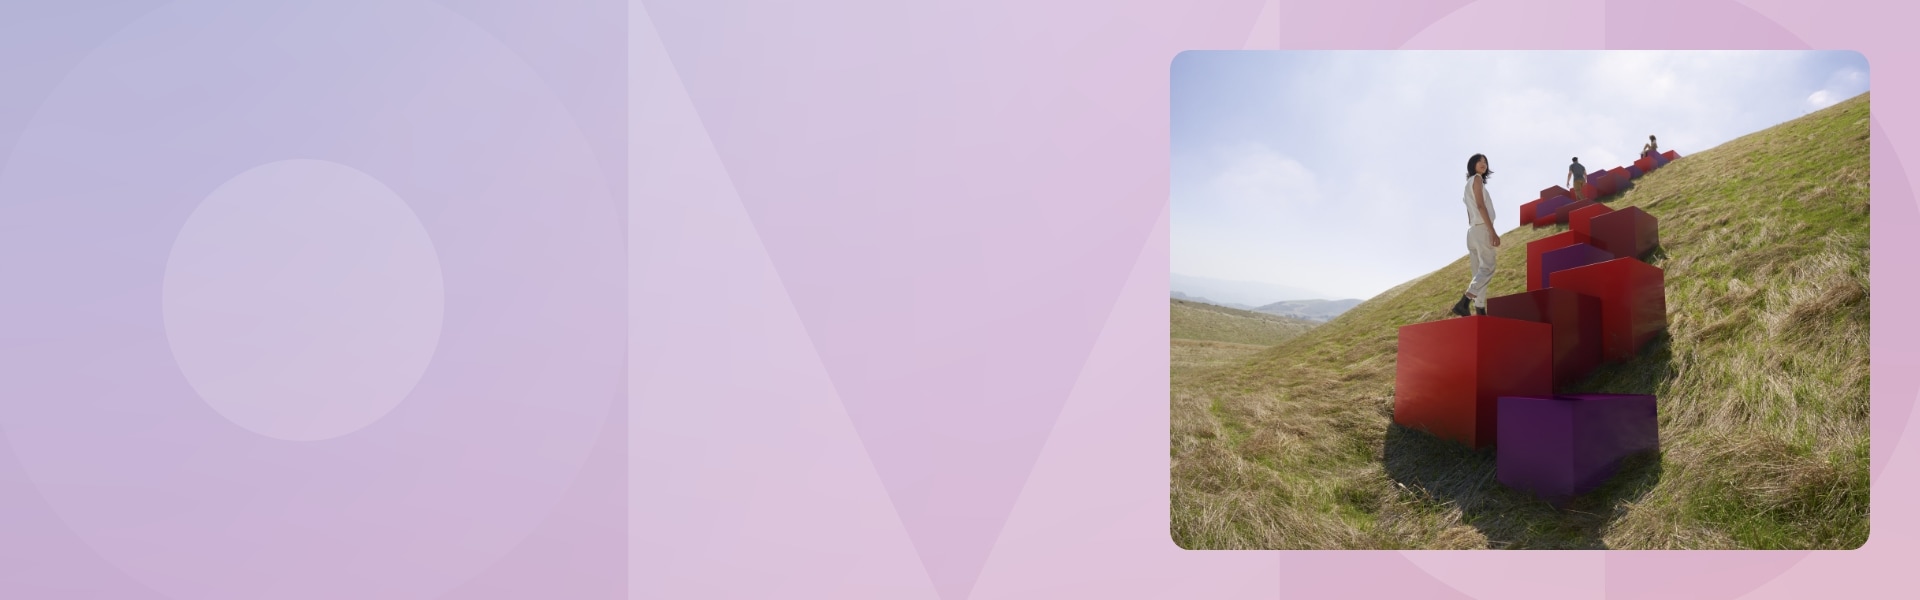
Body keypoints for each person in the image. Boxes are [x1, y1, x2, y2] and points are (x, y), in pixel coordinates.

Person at [1451, 154, 1499, 317]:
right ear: (1472, 164)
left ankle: (1480, 309)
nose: (1483, 164)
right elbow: (1480, 206)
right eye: (1480, 161)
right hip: (1482, 229)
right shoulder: (1477, 179)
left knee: (1478, 274)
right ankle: (1464, 302)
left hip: (1472, 232)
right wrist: (1492, 231)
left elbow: (1469, 214)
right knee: (1488, 268)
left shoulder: (1467, 186)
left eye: (1485, 161)